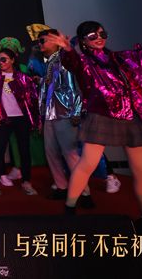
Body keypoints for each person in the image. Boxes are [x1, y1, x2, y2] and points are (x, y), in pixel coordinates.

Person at [44, 22, 142, 215]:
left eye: (102, 34)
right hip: (102, 117)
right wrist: (68, 49)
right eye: (92, 35)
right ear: (83, 41)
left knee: (141, 170)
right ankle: (69, 208)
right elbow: (73, 63)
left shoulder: (123, 58)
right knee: (87, 164)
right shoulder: (84, 63)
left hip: (131, 118)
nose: (99, 38)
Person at [37, 28, 94, 207]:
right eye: (39, 42)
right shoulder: (49, 62)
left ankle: (83, 193)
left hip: (65, 114)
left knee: (70, 153)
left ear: (55, 41)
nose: (40, 45)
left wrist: (76, 111)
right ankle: (62, 187)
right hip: (49, 114)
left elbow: (75, 87)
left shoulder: (65, 60)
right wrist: (42, 116)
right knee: (51, 153)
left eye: (43, 41)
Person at [0, 49, 39, 197]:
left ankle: (26, 182)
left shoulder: (24, 78)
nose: (1, 63)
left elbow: (33, 100)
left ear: (13, 60)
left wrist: (36, 120)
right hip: (4, 119)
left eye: (4, 59)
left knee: (24, 151)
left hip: (21, 119)